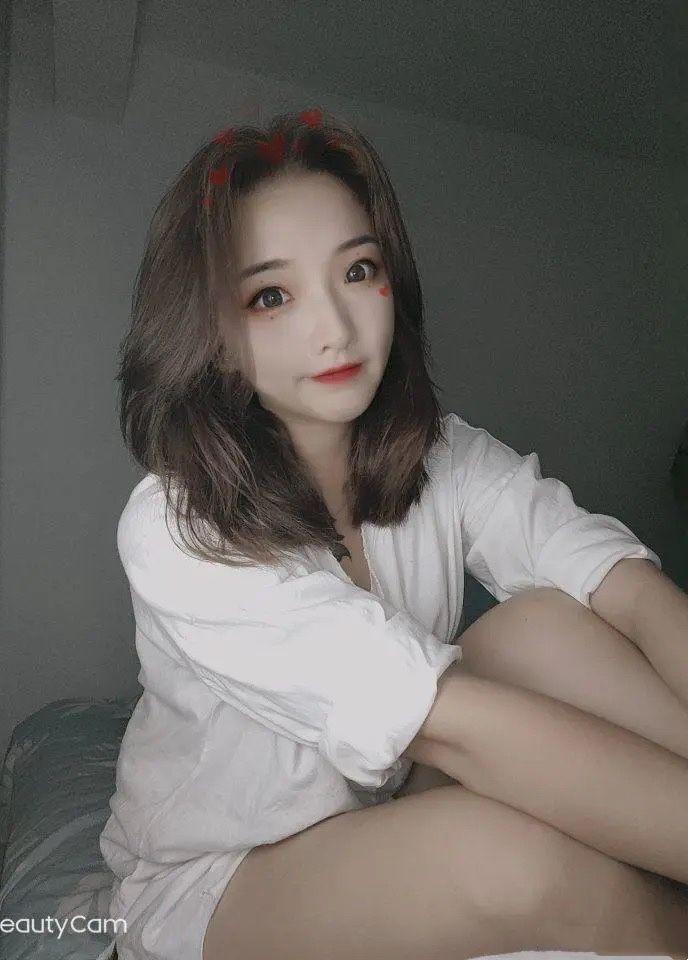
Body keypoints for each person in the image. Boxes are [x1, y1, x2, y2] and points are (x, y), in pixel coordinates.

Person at [99, 109, 688, 960]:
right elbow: (451, 725)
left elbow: (629, 591)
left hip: (381, 796)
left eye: (358, 270)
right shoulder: (179, 525)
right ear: (213, 337)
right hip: (225, 875)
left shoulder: (443, 455)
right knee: (518, 864)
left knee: (546, 624)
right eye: (272, 295)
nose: (335, 328)